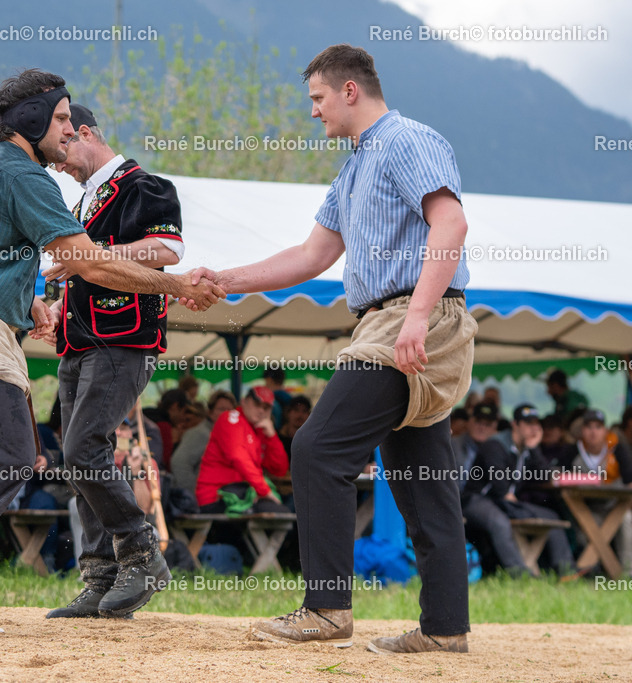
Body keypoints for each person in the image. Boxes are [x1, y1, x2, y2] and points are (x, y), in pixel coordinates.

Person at [0, 69, 222, 637]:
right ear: (34, 120)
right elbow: (90, 263)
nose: (69, 131)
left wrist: (29, 307)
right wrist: (180, 287)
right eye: (62, 118)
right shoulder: (27, 178)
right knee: (11, 456)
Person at [183, 43, 475, 652]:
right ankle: (446, 630)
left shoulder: (406, 140)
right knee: (423, 480)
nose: (312, 111)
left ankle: (326, 608)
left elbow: (450, 224)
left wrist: (416, 318)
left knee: (317, 448)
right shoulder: (352, 167)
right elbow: (311, 256)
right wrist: (224, 280)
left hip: (413, 317)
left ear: (349, 90)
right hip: (385, 320)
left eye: (317, 98)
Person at [37, 102, 188, 620]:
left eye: (61, 153)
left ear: (83, 133)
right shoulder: (85, 203)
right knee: (79, 456)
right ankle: (101, 577)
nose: (58, 165)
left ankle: (142, 554)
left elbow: (166, 250)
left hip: (125, 342)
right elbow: (89, 269)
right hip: (80, 341)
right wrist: (60, 303)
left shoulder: (145, 186)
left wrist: (91, 258)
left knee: (83, 449)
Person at [477, 405, 574, 574]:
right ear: (515, 424)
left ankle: (566, 569)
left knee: (551, 516)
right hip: (479, 500)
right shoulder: (495, 445)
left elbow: (544, 475)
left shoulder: (526, 449)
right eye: (528, 424)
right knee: (499, 522)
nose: (534, 429)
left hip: (506, 502)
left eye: (537, 424)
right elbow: (500, 487)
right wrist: (511, 500)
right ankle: (518, 572)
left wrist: (534, 448)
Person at [558, 408, 632, 576]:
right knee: (585, 530)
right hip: (585, 507)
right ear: (582, 431)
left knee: (626, 519)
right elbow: (557, 476)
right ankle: (593, 571)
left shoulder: (617, 449)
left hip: (615, 506)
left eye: (598, 427)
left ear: (605, 430)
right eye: (588, 427)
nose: (593, 432)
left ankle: (629, 573)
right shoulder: (573, 451)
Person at [454, 402, 530, 577]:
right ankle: (519, 573)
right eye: (478, 421)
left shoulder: (499, 448)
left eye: (488, 424)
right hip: (461, 501)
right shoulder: (453, 445)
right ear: (469, 422)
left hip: (489, 502)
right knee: (499, 521)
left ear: (495, 427)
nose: (482, 427)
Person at [195, 386, 289, 514]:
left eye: (266, 407)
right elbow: (238, 457)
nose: (261, 410)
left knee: (288, 512)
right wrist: (264, 491)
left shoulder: (260, 430)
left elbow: (279, 469)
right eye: (257, 404)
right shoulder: (231, 418)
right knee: (282, 515)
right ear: (244, 401)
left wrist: (272, 437)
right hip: (217, 497)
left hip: (243, 496)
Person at [170, 389, 236, 491]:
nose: (226, 413)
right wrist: (196, 494)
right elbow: (179, 463)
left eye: (230, 410)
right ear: (210, 412)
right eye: (222, 409)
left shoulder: (226, 435)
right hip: (202, 501)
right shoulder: (200, 434)